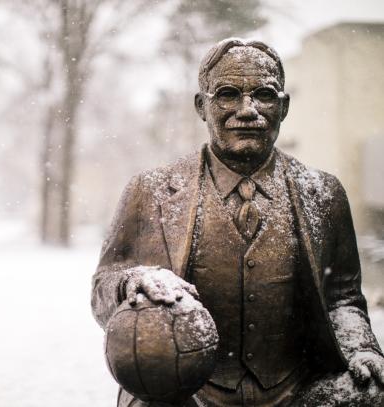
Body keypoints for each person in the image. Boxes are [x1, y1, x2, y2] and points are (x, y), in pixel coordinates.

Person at [91, 38, 384, 406]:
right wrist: (132, 283)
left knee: (371, 393)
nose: (247, 110)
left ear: (284, 106)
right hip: (186, 390)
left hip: (297, 390)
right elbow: (103, 287)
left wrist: (362, 349)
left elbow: (342, 297)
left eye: (264, 95)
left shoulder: (324, 193)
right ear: (202, 106)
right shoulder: (149, 191)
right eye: (228, 94)